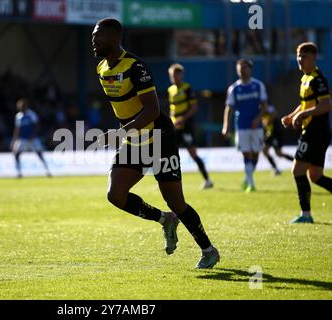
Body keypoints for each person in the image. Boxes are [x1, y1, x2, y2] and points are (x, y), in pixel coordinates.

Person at [92, 18, 219, 268]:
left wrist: (120, 134)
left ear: (115, 38)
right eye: (93, 36)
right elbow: (124, 108)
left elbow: (152, 110)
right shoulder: (101, 69)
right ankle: (164, 220)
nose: (93, 41)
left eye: (98, 36)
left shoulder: (136, 67)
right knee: (115, 195)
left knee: (177, 202)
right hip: (133, 139)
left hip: (159, 137)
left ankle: (209, 250)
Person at [281, 42, 332, 224]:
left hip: (315, 131)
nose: (300, 60)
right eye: (298, 56)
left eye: (304, 56)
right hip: (316, 131)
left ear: (313, 58)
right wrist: (292, 115)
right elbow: (306, 103)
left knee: (297, 170)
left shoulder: (317, 79)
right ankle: (306, 214)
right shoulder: (305, 78)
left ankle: (306, 214)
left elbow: (326, 105)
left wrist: (302, 115)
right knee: (316, 176)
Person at [222, 59, 268, 192]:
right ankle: (251, 184)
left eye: (245, 67)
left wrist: (258, 118)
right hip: (241, 126)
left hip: (256, 127)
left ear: (250, 69)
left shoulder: (258, 85)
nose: (242, 70)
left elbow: (265, 106)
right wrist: (226, 126)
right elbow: (229, 109)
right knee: (246, 154)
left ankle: (247, 178)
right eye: (240, 68)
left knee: (256, 154)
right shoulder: (234, 88)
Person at [167, 63, 213, 189]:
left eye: (177, 74)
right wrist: (172, 121)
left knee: (193, 154)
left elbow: (194, 107)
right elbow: (172, 109)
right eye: (172, 75)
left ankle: (207, 180)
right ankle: (167, 182)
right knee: (168, 153)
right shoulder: (170, 90)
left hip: (186, 126)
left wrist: (183, 119)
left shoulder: (187, 88)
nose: (175, 77)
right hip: (175, 127)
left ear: (181, 75)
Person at [11, 98, 51, 178]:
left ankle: (47, 171)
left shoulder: (31, 114)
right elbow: (17, 129)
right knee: (16, 154)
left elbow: (37, 126)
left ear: (25, 106)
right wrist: (14, 140)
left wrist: (33, 135)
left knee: (39, 154)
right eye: (19, 107)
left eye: (21, 106)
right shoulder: (18, 116)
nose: (20, 108)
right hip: (22, 139)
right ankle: (18, 172)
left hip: (33, 139)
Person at [261, 103, 294, 176]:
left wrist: (266, 118)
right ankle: (275, 169)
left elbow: (273, 116)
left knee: (278, 153)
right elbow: (264, 123)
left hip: (276, 133)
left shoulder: (269, 107)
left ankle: (298, 162)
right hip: (270, 133)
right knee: (265, 151)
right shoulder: (259, 109)